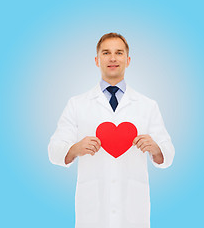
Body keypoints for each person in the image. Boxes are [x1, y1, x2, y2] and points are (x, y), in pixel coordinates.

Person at [48, 32, 175, 228]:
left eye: (119, 53)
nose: (113, 58)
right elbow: (54, 150)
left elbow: (168, 154)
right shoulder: (77, 104)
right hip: (92, 213)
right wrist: (75, 148)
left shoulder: (148, 105)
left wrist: (156, 148)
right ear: (97, 60)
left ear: (128, 60)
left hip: (133, 212)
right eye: (106, 53)